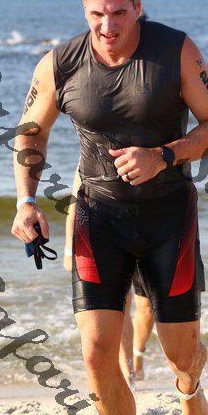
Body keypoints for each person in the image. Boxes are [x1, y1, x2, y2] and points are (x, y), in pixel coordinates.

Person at [11, 0, 208, 415]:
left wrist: (165, 154)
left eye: (117, 13)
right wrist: (26, 200)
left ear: (137, 6)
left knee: (180, 353)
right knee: (95, 353)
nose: (107, 26)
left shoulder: (174, 50)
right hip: (98, 217)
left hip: (167, 217)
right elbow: (31, 131)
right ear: (83, 9)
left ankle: (189, 389)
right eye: (96, 14)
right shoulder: (60, 63)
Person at [63, 159, 154, 384]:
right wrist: (68, 248)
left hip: (150, 229)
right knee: (122, 303)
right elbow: (76, 197)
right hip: (110, 234)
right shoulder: (94, 147)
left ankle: (138, 356)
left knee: (147, 308)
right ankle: (128, 372)